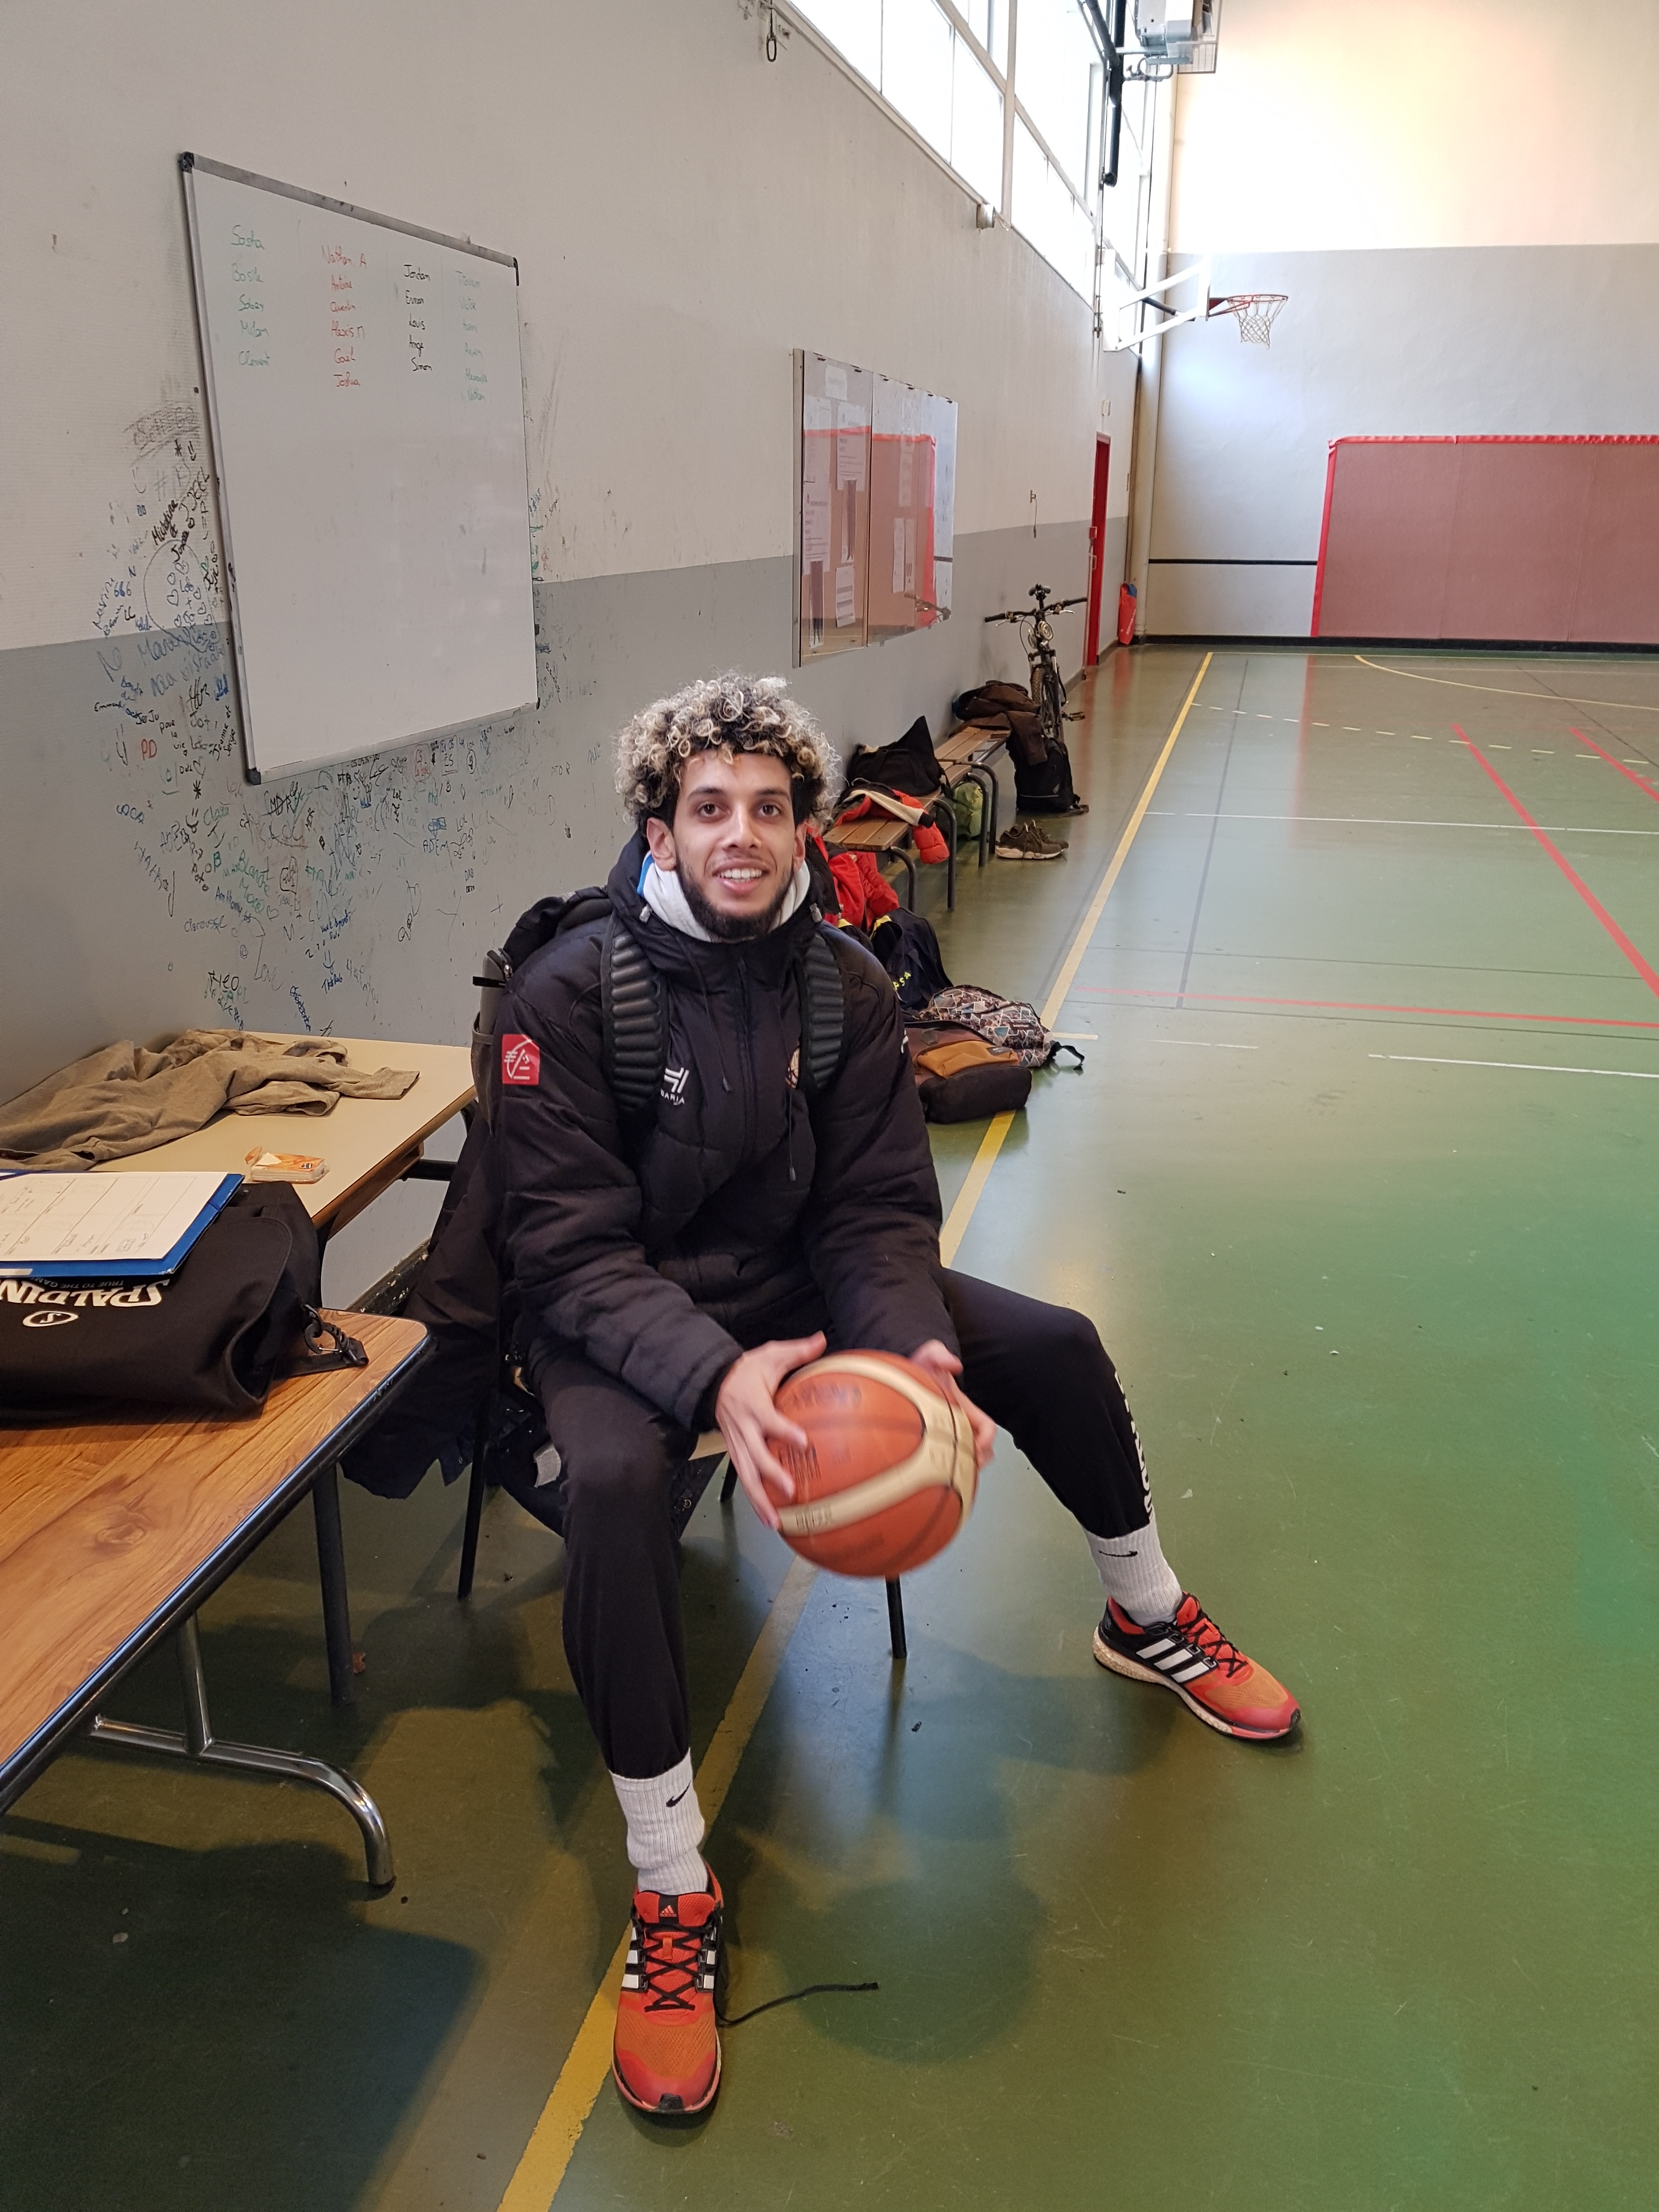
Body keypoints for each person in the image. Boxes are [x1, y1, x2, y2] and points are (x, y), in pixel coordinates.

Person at [488, 674, 1299, 2121]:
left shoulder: (845, 987)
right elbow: (564, 1252)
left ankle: (1146, 1612)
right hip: (622, 1313)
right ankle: (671, 1883)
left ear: (805, 825)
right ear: (661, 832)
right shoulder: (567, 994)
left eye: (769, 808)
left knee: (1052, 1343)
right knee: (612, 1485)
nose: (742, 834)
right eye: (709, 808)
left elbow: (872, 1214)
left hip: (795, 1291)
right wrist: (713, 1373)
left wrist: (909, 1349)